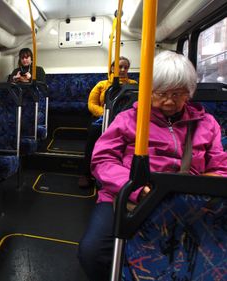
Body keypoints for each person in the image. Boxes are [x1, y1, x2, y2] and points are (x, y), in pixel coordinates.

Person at [77, 51, 227, 281]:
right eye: (161, 93)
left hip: (190, 201)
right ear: (148, 91)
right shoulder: (128, 119)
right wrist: (136, 187)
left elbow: (219, 167)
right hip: (128, 197)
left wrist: (201, 186)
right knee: (92, 252)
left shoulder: (207, 124)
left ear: (189, 93)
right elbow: (102, 160)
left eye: (177, 94)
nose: (169, 101)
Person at [78, 56, 138, 188]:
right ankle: (85, 173)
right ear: (112, 68)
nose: (122, 70)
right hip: (105, 117)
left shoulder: (133, 85)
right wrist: (107, 115)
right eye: (118, 67)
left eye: (125, 67)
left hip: (127, 120)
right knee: (94, 131)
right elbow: (92, 104)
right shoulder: (102, 85)